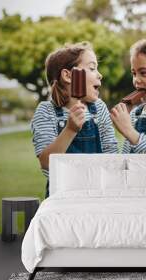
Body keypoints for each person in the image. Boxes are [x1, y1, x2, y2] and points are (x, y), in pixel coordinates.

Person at [31, 42, 118, 198]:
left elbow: (111, 155)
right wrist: (70, 130)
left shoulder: (99, 108)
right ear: (68, 75)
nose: (100, 74)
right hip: (62, 197)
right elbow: (46, 163)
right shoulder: (46, 112)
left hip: (99, 193)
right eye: (92, 68)